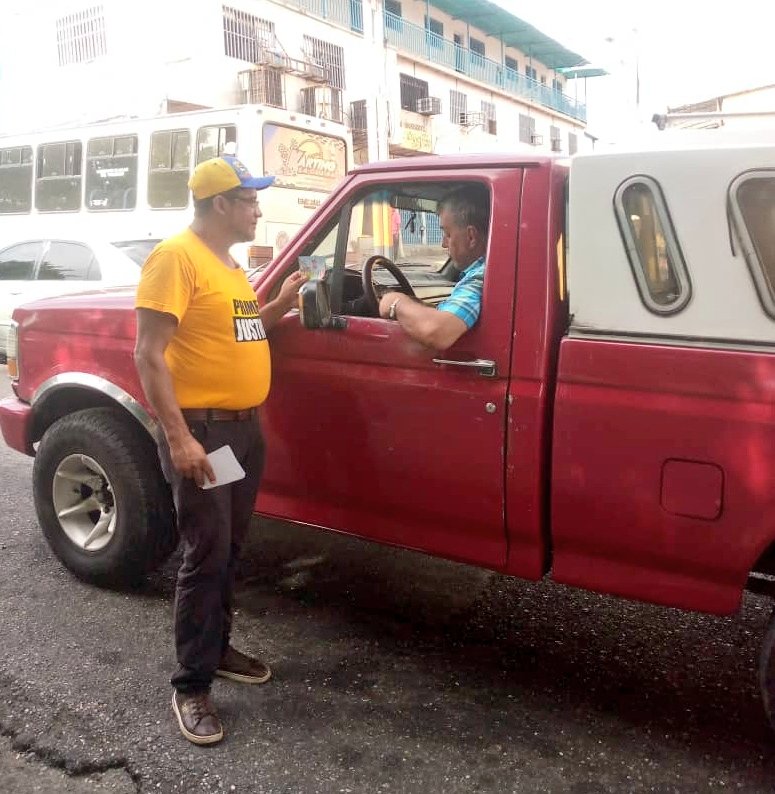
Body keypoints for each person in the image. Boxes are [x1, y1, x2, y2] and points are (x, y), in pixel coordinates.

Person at [133, 155, 306, 746]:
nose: (258, 209)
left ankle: (217, 647)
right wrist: (178, 436)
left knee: (230, 548)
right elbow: (148, 354)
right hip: (202, 432)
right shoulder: (175, 258)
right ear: (219, 204)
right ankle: (190, 685)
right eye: (250, 200)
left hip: (240, 432)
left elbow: (242, 327)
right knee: (205, 554)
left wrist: (278, 304)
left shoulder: (228, 266)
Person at [378, 184, 489, 351]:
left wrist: (395, 303)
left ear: (471, 236)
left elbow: (438, 332)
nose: (443, 244)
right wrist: (417, 306)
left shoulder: (480, 277)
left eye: (447, 234)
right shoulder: (481, 272)